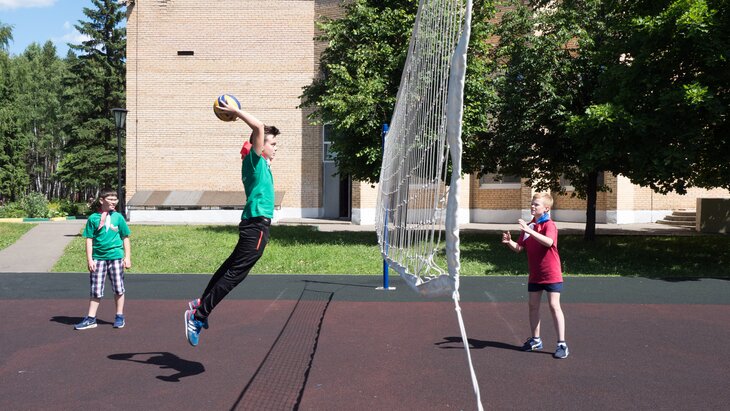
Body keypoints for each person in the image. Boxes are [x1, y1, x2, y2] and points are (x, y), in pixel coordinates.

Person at [184, 101, 280, 346]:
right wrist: (236, 112)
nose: (275, 148)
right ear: (260, 144)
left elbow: (260, 135)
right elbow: (258, 127)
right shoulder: (254, 161)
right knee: (236, 274)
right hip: (256, 226)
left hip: (253, 224)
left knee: (230, 267)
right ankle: (198, 316)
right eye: (272, 144)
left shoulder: (261, 164)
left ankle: (201, 303)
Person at [502, 192, 569, 359]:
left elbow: (549, 242)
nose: (532, 206)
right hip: (535, 274)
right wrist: (509, 242)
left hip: (551, 273)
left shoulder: (549, 225)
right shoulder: (529, 226)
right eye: (532, 203)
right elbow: (519, 248)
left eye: (536, 204)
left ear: (546, 208)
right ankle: (536, 340)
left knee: (554, 306)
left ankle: (562, 344)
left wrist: (529, 231)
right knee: (533, 306)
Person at [75, 188, 132, 330]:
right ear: (101, 200)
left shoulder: (118, 217)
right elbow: (89, 239)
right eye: (110, 199)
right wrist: (90, 259)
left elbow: (125, 237)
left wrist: (127, 257)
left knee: (118, 288)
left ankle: (119, 316)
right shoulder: (93, 218)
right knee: (96, 289)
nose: (114, 202)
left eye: (115, 199)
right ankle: (91, 319)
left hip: (116, 257)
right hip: (98, 258)